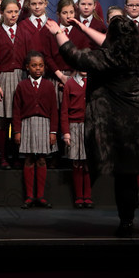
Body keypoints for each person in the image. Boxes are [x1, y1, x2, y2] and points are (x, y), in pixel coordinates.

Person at [47, 16, 139, 238]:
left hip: (129, 122)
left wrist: (57, 32)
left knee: (125, 173)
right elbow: (109, 43)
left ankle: (127, 224)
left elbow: (75, 56)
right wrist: (83, 28)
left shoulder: (108, 59)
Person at [0, 0, 27, 170]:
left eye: (16, 12)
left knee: (18, 119)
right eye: (9, 12)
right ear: (1, 13)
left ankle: (16, 155)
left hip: (20, 78)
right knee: (3, 120)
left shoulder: (24, 33)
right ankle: (2, 156)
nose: (13, 15)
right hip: (2, 78)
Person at [14, 51, 58, 208]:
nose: (37, 69)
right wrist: (17, 131)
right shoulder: (22, 86)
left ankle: (40, 196)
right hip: (27, 125)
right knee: (29, 159)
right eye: (34, 65)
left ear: (44, 67)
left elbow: (54, 109)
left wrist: (53, 132)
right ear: (27, 67)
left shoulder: (48, 85)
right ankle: (29, 196)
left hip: (44, 125)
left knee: (41, 159)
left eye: (40, 65)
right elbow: (17, 110)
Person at [61, 70, 92, 208]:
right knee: (77, 161)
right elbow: (64, 110)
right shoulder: (70, 84)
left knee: (88, 162)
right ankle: (79, 196)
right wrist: (66, 132)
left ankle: (88, 196)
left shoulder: (94, 83)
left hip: (90, 126)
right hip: (74, 126)